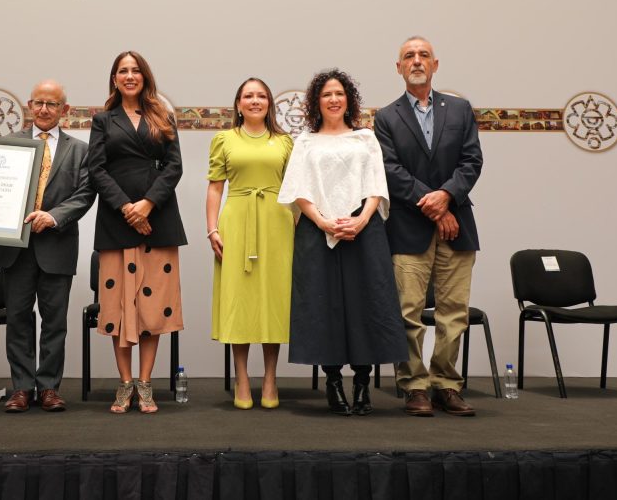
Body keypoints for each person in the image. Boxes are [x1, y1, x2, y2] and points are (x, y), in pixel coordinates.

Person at [278, 69, 407, 416]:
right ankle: (333, 383)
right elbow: (297, 189)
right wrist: (323, 221)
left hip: (364, 230)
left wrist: (361, 220)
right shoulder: (305, 142)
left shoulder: (366, 139)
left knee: (368, 303)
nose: (333, 99)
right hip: (316, 231)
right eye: (326, 94)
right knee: (324, 306)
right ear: (316, 102)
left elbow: (377, 186)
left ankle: (363, 384)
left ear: (348, 99)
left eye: (339, 93)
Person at [373, 36, 483, 417]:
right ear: (399, 68)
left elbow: (472, 161)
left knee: (454, 312)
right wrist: (436, 207)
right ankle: (414, 387)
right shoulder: (386, 118)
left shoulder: (460, 109)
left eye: (423, 55)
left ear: (435, 65)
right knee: (408, 312)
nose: (417, 61)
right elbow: (390, 171)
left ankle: (446, 385)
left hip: (458, 226)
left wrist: (447, 196)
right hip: (408, 228)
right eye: (409, 56)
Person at [88, 51, 186, 414]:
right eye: (122, 71)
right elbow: (96, 170)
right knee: (119, 306)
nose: (129, 76)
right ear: (114, 79)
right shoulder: (103, 120)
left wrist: (147, 205)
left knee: (151, 306)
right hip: (116, 222)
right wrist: (127, 208)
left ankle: (145, 384)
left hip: (159, 219)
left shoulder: (162, 115)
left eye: (135, 70)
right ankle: (125, 382)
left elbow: (174, 166)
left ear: (144, 76)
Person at [0, 80, 96, 414]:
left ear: (65, 109)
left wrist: (53, 216)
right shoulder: (7, 145)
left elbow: (85, 194)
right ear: (29, 105)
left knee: (55, 323)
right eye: (39, 103)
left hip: (57, 245)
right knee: (17, 319)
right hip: (14, 248)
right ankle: (22, 388)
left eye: (52, 104)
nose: (44, 110)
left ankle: (49, 387)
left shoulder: (80, 150)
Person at [206, 78, 293, 409]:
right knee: (239, 301)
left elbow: (295, 189)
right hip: (237, 222)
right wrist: (212, 229)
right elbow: (215, 187)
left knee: (273, 301)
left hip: (278, 224)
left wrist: (298, 228)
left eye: (261, 96)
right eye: (248, 96)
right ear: (238, 104)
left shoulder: (284, 142)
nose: (255, 100)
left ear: (269, 103)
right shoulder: (224, 139)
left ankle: (270, 378)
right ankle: (241, 378)